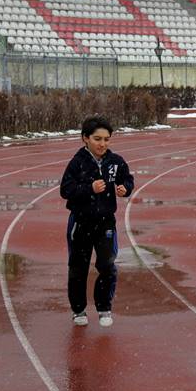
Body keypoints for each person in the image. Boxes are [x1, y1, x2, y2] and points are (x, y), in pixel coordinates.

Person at [60, 116, 134, 327]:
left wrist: (125, 189)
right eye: (97, 139)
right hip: (80, 223)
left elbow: (127, 179)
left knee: (107, 264)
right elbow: (65, 190)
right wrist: (88, 189)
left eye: (107, 139)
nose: (102, 144)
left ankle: (104, 307)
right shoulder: (77, 163)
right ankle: (78, 310)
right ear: (85, 139)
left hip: (105, 223)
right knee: (78, 268)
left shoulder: (116, 161)